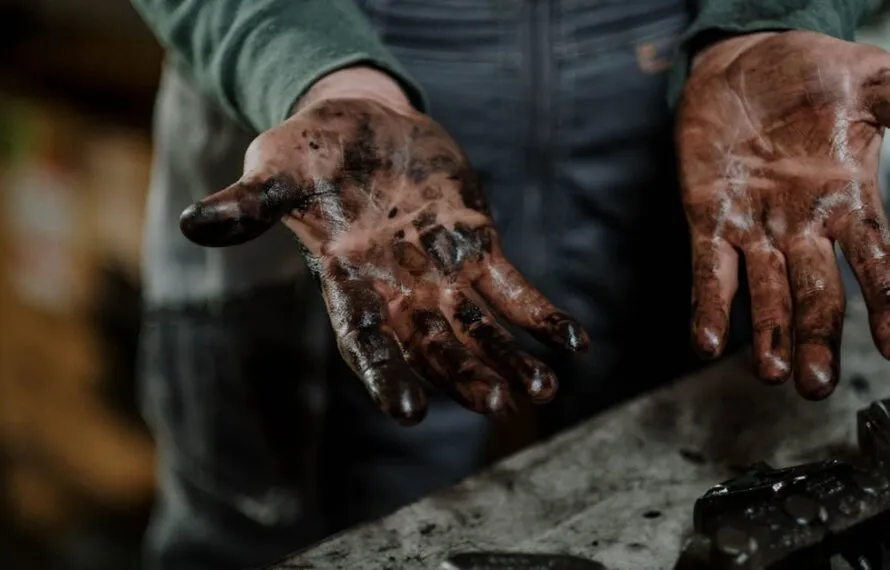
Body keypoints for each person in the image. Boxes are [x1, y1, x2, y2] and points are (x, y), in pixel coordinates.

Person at [128, 0, 890, 569]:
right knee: (284, 535)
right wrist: (310, 68)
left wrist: (768, 19)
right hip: (326, 139)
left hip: (712, 121)